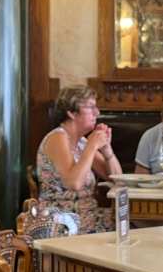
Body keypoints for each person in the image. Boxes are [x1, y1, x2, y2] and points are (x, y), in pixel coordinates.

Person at [36, 86, 122, 233]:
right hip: (61, 221)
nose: (97, 113)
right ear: (71, 113)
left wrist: (108, 151)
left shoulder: (82, 142)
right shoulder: (58, 137)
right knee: (127, 228)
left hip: (86, 217)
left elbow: (117, 179)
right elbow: (74, 183)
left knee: (131, 223)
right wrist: (93, 145)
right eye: (91, 107)